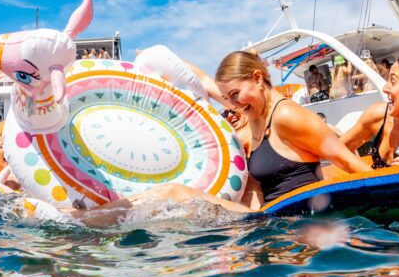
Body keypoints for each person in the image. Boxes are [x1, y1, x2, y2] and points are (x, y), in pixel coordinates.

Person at [129, 51, 369, 211]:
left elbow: (350, 164)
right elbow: (200, 78)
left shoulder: (287, 116)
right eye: (227, 98)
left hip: (299, 224)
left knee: (173, 192)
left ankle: (93, 222)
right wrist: (154, 56)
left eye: (235, 95)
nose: (233, 105)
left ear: (257, 78)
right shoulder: (254, 113)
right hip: (270, 220)